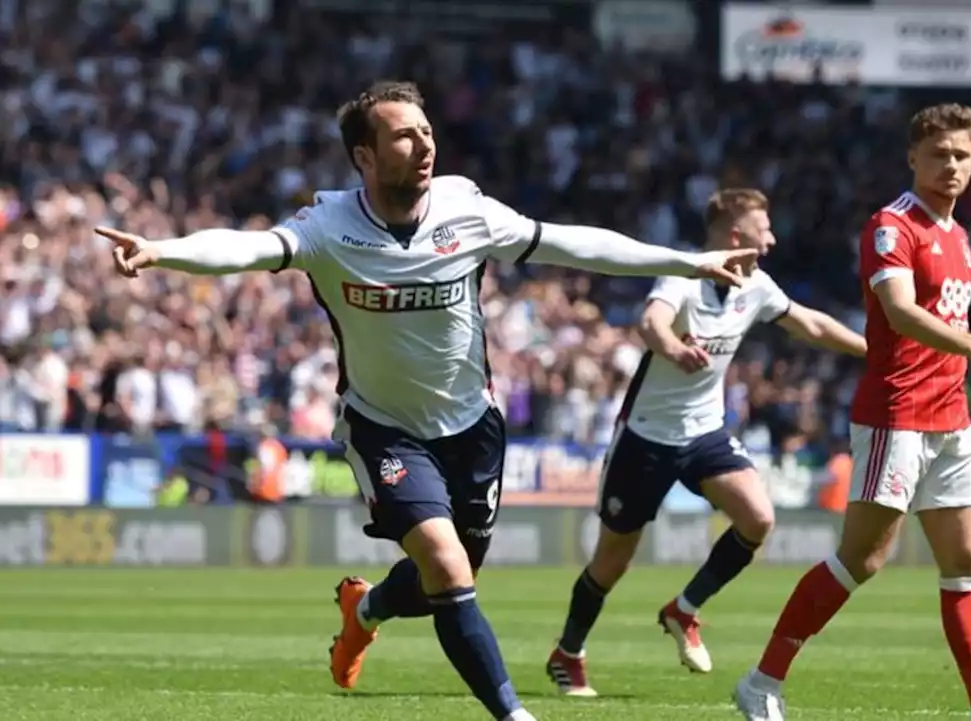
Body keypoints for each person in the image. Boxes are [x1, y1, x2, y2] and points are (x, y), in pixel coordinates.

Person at [96, 80, 757, 721]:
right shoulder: (330, 224)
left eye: (427, 131)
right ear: (364, 155)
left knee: (450, 572)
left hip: (472, 427)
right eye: (404, 136)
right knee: (444, 563)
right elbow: (249, 247)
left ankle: (366, 612)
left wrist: (685, 261)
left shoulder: (466, 208)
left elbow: (566, 241)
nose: (423, 144)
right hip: (385, 430)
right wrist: (161, 251)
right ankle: (513, 712)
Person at [732, 104, 971, 721]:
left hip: (952, 419)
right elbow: (899, 313)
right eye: (939, 154)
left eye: (961, 155)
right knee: (862, 560)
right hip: (897, 414)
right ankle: (762, 680)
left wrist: (968, 354)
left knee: (969, 562)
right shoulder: (891, 227)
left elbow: (944, 319)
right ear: (913, 158)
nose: (950, 165)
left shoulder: (960, 237)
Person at [545, 188, 867, 697]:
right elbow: (650, 322)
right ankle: (568, 652)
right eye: (765, 228)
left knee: (758, 518)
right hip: (646, 436)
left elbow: (809, 323)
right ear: (736, 235)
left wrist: (871, 349)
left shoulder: (756, 285)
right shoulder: (684, 276)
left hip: (704, 431)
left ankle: (684, 609)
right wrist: (674, 347)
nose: (773, 238)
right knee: (612, 561)